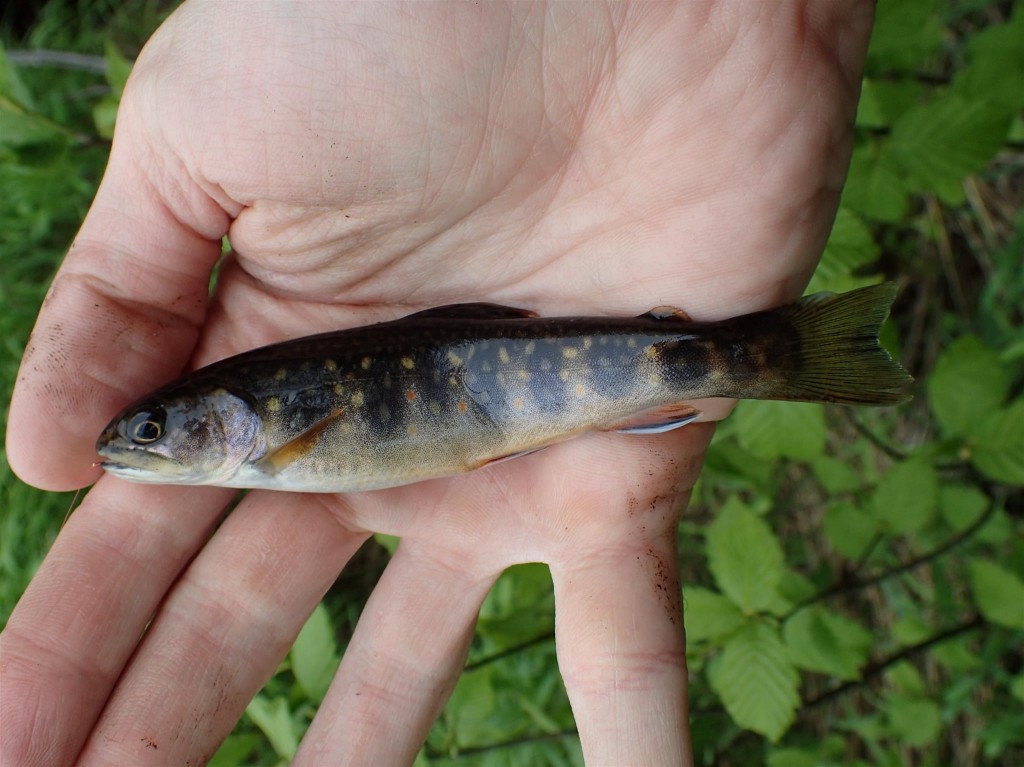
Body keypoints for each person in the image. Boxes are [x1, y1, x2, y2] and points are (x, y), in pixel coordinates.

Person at [1, 1, 875, 764]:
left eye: (153, 430)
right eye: (148, 432)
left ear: (214, 418)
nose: (132, 443)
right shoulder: (265, 424)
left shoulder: (272, 434)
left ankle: (782, 355)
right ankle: (783, 354)